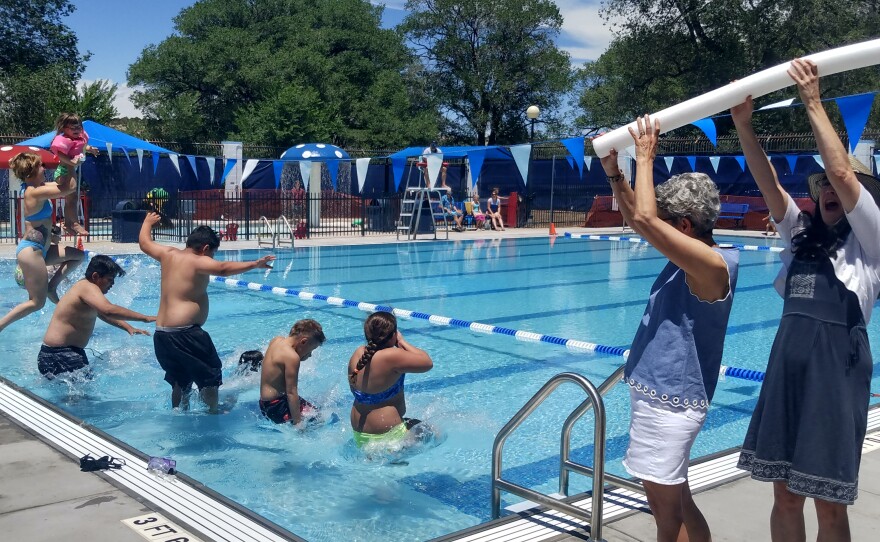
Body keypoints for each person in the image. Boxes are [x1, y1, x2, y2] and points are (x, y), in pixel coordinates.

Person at [731, 59, 880, 541]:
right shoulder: (799, 234)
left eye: (842, 188)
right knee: (784, 494)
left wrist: (813, 101)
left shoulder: (872, 243)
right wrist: (743, 126)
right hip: (787, 369)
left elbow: (840, 167)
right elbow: (768, 183)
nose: (832, 189)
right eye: (825, 190)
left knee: (829, 502)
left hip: (835, 375)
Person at [600, 114, 739, 542]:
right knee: (676, 500)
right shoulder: (692, 252)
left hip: (672, 405)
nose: (653, 222)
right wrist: (615, 174)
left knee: (666, 513)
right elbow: (640, 215)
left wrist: (644, 156)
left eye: (665, 219)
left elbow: (643, 220)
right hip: (658, 396)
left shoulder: (713, 265)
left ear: (682, 226)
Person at [139, 213, 275, 412]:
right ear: (205, 248)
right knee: (210, 377)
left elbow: (144, 243)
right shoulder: (197, 260)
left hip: (162, 334)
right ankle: (212, 413)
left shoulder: (167, 254)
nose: (211, 259)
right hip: (186, 334)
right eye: (212, 254)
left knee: (179, 381)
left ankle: (179, 412)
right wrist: (254, 264)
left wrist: (147, 223)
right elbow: (222, 268)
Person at [0, 153, 85, 334]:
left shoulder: (38, 188)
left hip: (42, 249)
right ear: (31, 172)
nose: (44, 168)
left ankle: (52, 286)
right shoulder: (34, 192)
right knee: (36, 303)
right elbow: (70, 187)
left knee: (78, 256)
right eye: (40, 166)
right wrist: (70, 163)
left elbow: (64, 185)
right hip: (31, 251)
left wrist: (71, 159)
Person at [38, 255, 155, 379]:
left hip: (53, 354)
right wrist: (145, 318)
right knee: (82, 397)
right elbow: (108, 310)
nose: (113, 284)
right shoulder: (87, 287)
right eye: (110, 279)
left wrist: (128, 327)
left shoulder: (83, 287)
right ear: (95, 276)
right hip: (63, 354)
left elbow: (102, 313)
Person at [348, 311, 434, 449]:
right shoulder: (392, 355)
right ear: (393, 334)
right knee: (435, 433)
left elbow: (353, 388)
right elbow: (427, 362)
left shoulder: (358, 353)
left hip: (360, 433)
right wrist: (401, 341)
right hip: (388, 434)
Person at [258, 319, 326, 425]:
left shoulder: (276, 340)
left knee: (315, 413)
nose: (310, 355)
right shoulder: (292, 357)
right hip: (277, 407)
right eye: (310, 350)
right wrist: (298, 424)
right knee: (317, 422)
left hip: (265, 404)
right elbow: (291, 392)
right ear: (303, 342)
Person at [50, 113, 97, 236]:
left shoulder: (78, 139)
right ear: (64, 129)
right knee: (72, 198)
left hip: (72, 170)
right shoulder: (64, 140)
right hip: (64, 171)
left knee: (71, 199)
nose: (77, 130)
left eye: (79, 128)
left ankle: (67, 224)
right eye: (73, 128)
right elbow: (60, 154)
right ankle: (75, 224)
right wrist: (72, 161)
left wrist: (90, 148)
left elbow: (81, 147)